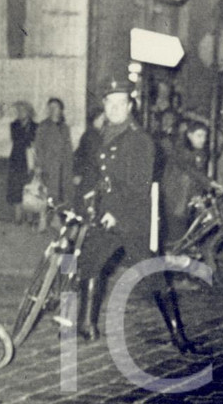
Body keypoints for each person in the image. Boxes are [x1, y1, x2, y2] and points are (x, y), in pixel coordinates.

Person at [75, 77, 200, 355]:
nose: (115, 108)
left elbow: (139, 186)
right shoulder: (105, 134)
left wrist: (116, 214)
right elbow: (99, 175)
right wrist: (85, 199)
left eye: (121, 103)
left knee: (152, 275)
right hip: (107, 216)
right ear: (104, 106)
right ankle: (86, 325)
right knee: (90, 263)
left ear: (130, 106)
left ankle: (179, 335)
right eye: (110, 103)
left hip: (133, 220)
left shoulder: (139, 139)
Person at [161, 120, 220, 248]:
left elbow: (197, 177)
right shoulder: (182, 151)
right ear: (189, 135)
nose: (203, 139)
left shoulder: (200, 153)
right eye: (199, 135)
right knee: (178, 237)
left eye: (205, 136)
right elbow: (191, 170)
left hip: (186, 201)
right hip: (176, 200)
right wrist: (210, 183)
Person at [33, 97, 74, 230]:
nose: (52, 110)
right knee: (46, 194)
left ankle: (56, 219)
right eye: (50, 107)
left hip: (63, 166)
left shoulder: (64, 127)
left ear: (61, 110)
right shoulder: (43, 126)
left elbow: (68, 147)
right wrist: (38, 165)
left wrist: (70, 165)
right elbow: (38, 147)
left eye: (55, 107)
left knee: (59, 194)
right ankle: (42, 220)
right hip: (48, 166)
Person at [7, 101, 37, 226]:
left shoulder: (36, 126)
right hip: (16, 160)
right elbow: (19, 139)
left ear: (29, 112)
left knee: (29, 188)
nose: (20, 113)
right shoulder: (14, 125)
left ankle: (30, 218)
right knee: (16, 188)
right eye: (18, 111)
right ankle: (18, 217)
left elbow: (34, 142)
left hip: (30, 160)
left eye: (23, 110)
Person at [73, 106, 105, 197]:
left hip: (87, 173)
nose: (104, 121)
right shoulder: (93, 136)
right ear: (95, 119)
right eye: (102, 118)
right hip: (90, 174)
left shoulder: (90, 133)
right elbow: (92, 157)